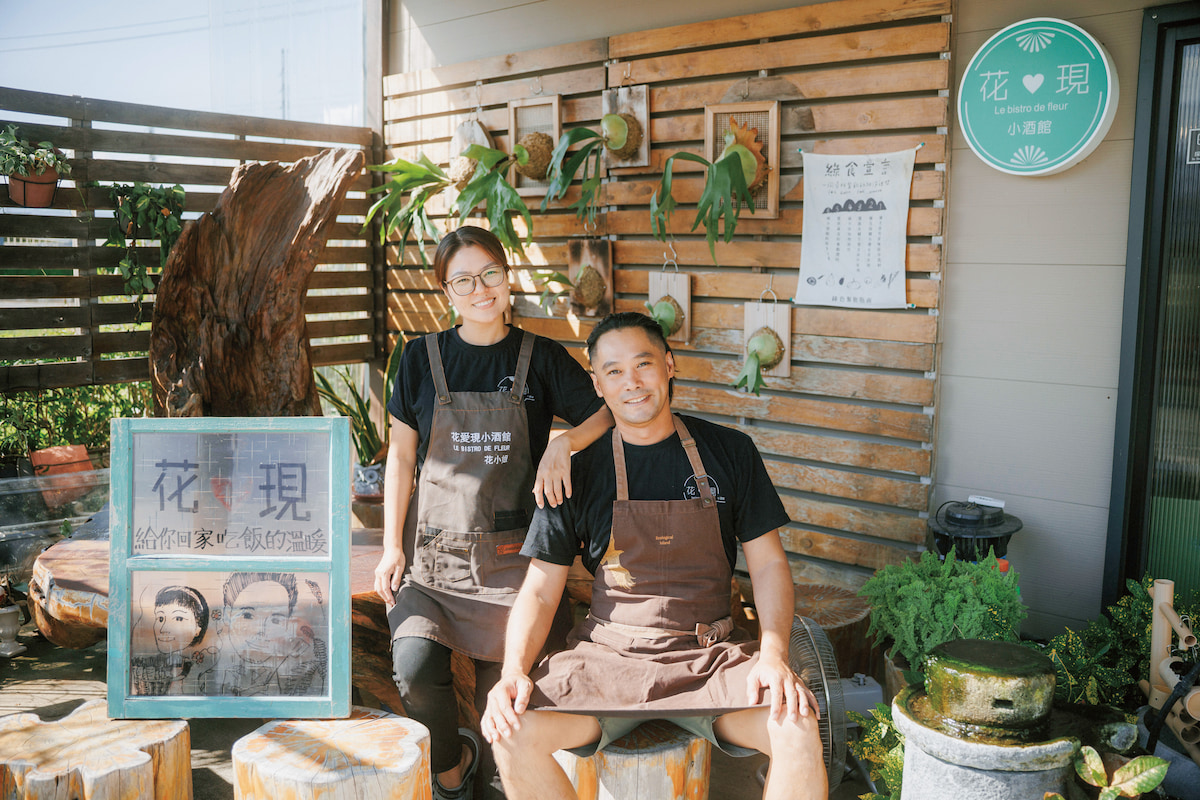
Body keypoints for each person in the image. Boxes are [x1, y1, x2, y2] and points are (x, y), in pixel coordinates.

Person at [480, 312, 828, 800]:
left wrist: (773, 654)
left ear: (669, 364)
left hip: (710, 657)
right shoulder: (575, 473)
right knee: (510, 731)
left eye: (643, 364)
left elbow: (769, 563)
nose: (633, 383)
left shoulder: (731, 452)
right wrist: (513, 671)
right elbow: (539, 587)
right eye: (615, 371)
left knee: (796, 725)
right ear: (597, 383)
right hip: (608, 660)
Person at [376, 226, 612, 800]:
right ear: (446, 290)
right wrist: (391, 546)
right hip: (433, 557)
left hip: (515, 561)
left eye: (490, 274)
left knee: (502, 692)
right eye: (463, 279)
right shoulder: (418, 358)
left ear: (507, 279)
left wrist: (563, 444)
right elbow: (401, 458)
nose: (480, 289)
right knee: (412, 668)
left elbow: (604, 416)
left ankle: (503, 780)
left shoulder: (541, 357)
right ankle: (454, 771)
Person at [215, 571, 327, 697]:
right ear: (226, 615)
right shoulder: (208, 678)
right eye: (247, 615)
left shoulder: (303, 678)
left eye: (276, 620)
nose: (261, 630)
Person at [130, 584, 212, 696]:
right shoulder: (145, 666)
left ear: (198, 627)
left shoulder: (205, 669)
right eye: (160, 619)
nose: (163, 629)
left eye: (178, 618)